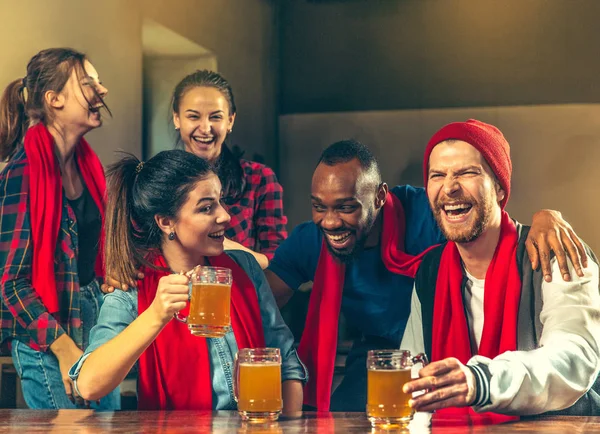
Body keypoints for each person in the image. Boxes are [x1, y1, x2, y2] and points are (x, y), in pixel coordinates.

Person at [265, 139, 588, 412]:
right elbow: (261, 309)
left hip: (449, 349)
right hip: (380, 355)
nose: (331, 221)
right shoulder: (311, 239)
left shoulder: (428, 213)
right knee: (354, 419)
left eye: (346, 207)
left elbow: (485, 224)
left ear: (380, 197)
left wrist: (544, 219)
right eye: (319, 207)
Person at [70, 150, 306, 410]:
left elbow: (285, 362)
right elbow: (89, 385)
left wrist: (288, 425)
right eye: (206, 208)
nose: (225, 216)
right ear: (166, 221)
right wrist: (156, 315)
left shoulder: (245, 268)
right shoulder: (131, 290)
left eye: (220, 201)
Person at [401, 119, 600, 417]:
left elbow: (574, 358)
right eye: (437, 175)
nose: (450, 187)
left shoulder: (556, 250)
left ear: (499, 188)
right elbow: (413, 371)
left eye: (467, 173)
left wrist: (482, 382)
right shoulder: (430, 270)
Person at [0, 48, 118, 409]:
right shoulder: (22, 172)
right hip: (48, 339)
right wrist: (65, 349)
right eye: (88, 83)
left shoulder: (87, 166)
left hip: (94, 324)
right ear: (54, 100)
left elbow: (91, 258)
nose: (103, 90)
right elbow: (10, 283)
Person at [173, 70, 286, 269]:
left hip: (236, 296)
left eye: (216, 117)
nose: (205, 128)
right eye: (193, 116)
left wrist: (226, 246)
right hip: (172, 296)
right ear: (177, 119)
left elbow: (279, 264)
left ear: (230, 121)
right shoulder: (158, 181)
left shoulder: (260, 179)